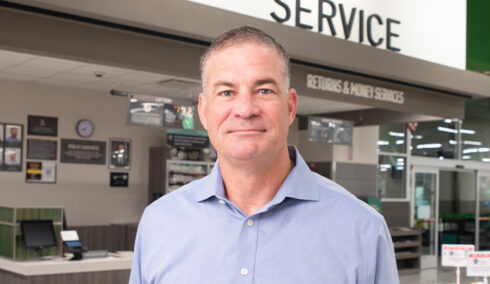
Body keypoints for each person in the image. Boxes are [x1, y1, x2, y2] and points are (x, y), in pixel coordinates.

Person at [130, 26, 399, 283]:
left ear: (290, 107)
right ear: (203, 110)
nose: (245, 109)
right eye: (226, 92)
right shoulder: (159, 222)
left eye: (264, 90)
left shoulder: (362, 228)